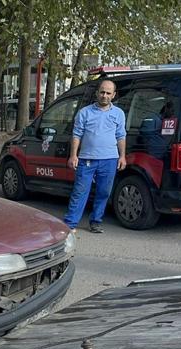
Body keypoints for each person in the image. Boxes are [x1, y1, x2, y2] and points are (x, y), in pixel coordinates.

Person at [64, 80, 127, 234]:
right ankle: (70, 224)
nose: (104, 95)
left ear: (113, 95)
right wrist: (73, 155)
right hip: (86, 159)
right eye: (102, 92)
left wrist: (122, 156)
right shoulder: (84, 112)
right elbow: (76, 134)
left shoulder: (118, 113)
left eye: (108, 93)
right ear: (97, 93)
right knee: (80, 191)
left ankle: (96, 221)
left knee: (104, 192)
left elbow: (121, 136)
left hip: (110, 159)